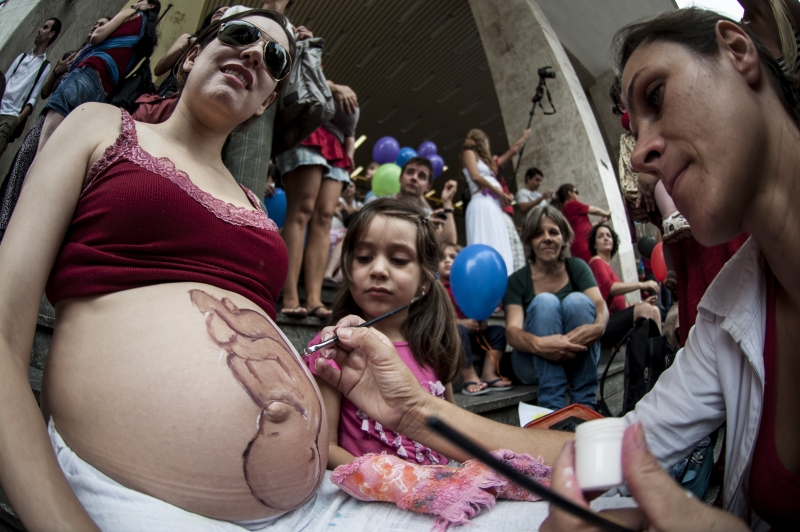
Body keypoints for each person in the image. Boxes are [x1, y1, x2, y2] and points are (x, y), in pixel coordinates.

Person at [0, 9, 324, 529]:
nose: (255, 53)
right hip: (133, 500)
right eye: (241, 35)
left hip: (307, 507)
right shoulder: (100, 125)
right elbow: (1, 330)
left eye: (275, 57)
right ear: (193, 53)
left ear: (266, 101)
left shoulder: (255, 207)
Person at [305, 198, 460, 469]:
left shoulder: (434, 344)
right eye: (364, 258)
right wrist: (397, 482)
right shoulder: (334, 348)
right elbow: (325, 447)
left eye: (398, 260)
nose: (377, 270)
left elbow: (455, 428)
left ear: (424, 281)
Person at [1, 17, 109, 234]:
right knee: (22, 163)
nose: (96, 27)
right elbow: (44, 92)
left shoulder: (97, 66)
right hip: (46, 119)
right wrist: (58, 71)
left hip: (64, 131)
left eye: (102, 25)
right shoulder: (70, 56)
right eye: (95, 23)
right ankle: (3, 220)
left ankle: (18, 228)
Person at [503, 205, 608, 410]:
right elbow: (512, 332)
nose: (547, 238)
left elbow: (599, 303)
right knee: (545, 302)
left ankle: (584, 405)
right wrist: (540, 344)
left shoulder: (577, 267)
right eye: (538, 233)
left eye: (553, 232)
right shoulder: (516, 281)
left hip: (575, 360)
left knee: (577, 301)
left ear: (564, 238)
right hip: (532, 364)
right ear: (529, 241)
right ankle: (553, 411)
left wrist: (600, 326)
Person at [276, 74, 359, 320]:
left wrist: (350, 150)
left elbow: (350, 129)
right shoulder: (303, 72)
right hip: (307, 132)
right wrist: (334, 87)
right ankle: (290, 294)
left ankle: (314, 297)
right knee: (301, 210)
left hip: (337, 144)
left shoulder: (331, 84)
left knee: (324, 218)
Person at [37, 1, 160, 152]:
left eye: (141, 0)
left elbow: (96, 37)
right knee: (63, 150)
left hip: (86, 75)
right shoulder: (145, 41)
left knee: (45, 144)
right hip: (101, 94)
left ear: (151, 5)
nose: (136, 3)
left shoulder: (132, 14)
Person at [439, 243, 512, 395]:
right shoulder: (436, 288)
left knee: (498, 331)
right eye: (441, 258)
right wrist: (461, 322)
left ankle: (488, 373)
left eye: (452, 257)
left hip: (474, 334)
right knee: (458, 330)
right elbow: (436, 319)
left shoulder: (468, 280)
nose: (447, 261)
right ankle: (469, 376)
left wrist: (481, 321)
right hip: (451, 338)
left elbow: (475, 305)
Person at [461, 128, 530, 275]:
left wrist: (524, 137)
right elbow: (476, 177)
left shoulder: (488, 162)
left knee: (501, 243)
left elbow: (513, 150)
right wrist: (500, 193)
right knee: (486, 241)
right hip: (481, 203)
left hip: (494, 207)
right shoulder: (469, 152)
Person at [587, 223, 661, 348]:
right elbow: (609, 288)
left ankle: (657, 354)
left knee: (654, 309)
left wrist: (639, 303)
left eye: (608, 236)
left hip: (616, 318)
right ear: (594, 244)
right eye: (600, 236)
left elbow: (620, 304)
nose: (605, 238)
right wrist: (641, 285)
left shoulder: (607, 265)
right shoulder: (596, 262)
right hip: (604, 322)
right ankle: (645, 360)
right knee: (646, 309)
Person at [0, 17, 60, 157]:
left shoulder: (44, 66)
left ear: (51, 34)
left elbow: (33, 98)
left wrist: (16, 121)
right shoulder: (22, 57)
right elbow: (4, 81)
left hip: (10, 118)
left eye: (45, 27)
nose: (40, 30)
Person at [367, 156, 459, 245]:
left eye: (421, 176)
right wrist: (422, 227)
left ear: (428, 187)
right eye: (410, 172)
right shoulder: (377, 202)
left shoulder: (428, 216)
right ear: (400, 177)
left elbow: (448, 244)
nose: (414, 178)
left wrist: (447, 202)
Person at [553, 183, 611, 263]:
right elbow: (593, 210)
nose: (577, 195)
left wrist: (600, 221)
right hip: (585, 245)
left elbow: (584, 226)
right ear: (570, 193)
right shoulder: (571, 204)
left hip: (578, 247)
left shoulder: (565, 210)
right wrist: (606, 213)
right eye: (576, 192)